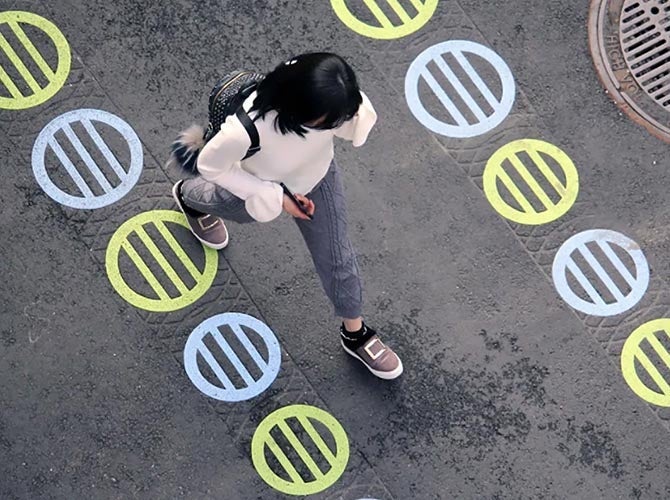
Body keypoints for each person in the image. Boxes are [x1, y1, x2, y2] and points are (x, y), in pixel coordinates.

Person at [169, 52, 402, 380]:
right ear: (299, 110)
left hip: (317, 179)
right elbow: (210, 165)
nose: (337, 125)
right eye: (328, 122)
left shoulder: (329, 102)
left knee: (338, 256)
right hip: (259, 184)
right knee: (225, 204)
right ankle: (189, 197)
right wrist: (277, 197)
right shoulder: (244, 131)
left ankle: (356, 332)